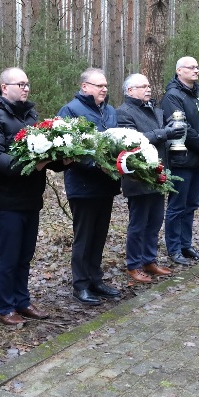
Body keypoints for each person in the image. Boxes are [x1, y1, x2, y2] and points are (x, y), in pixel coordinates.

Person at [0, 68, 67, 325]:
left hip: (30, 197)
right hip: (4, 198)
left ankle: (22, 300)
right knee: (9, 255)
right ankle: (5, 307)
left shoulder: (31, 116)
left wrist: (64, 160)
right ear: (4, 88)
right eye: (20, 84)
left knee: (25, 253)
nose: (26, 88)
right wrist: (32, 164)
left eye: (28, 84)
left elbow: (44, 154)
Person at [57, 68, 122, 306]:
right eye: (99, 85)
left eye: (105, 85)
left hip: (106, 185)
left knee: (99, 235)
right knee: (84, 237)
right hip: (83, 185)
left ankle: (96, 279)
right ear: (85, 87)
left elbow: (116, 142)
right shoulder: (70, 111)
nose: (104, 89)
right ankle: (81, 284)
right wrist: (96, 164)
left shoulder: (110, 110)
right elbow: (66, 150)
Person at [116, 73, 182, 283]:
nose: (148, 89)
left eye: (148, 85)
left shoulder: (154, 109)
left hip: (158, 173)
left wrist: (171, 126)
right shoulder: (123, 112)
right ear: (129, 91)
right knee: (138, 224)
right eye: (142, 86)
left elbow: (159, 134)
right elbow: (133, 140)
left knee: (154, 221)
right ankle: (133, 265)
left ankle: (149, 260)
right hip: (138, 176)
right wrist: (164, 132)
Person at [160, 56, 199, 265]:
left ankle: (186, 246)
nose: (196, 70)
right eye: (191, 67)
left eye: (197, 66)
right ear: (179, 71)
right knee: (177, 206)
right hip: (181, 160)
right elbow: (183, 127)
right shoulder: (172, 96)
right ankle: (174, 249)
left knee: (191, 205)